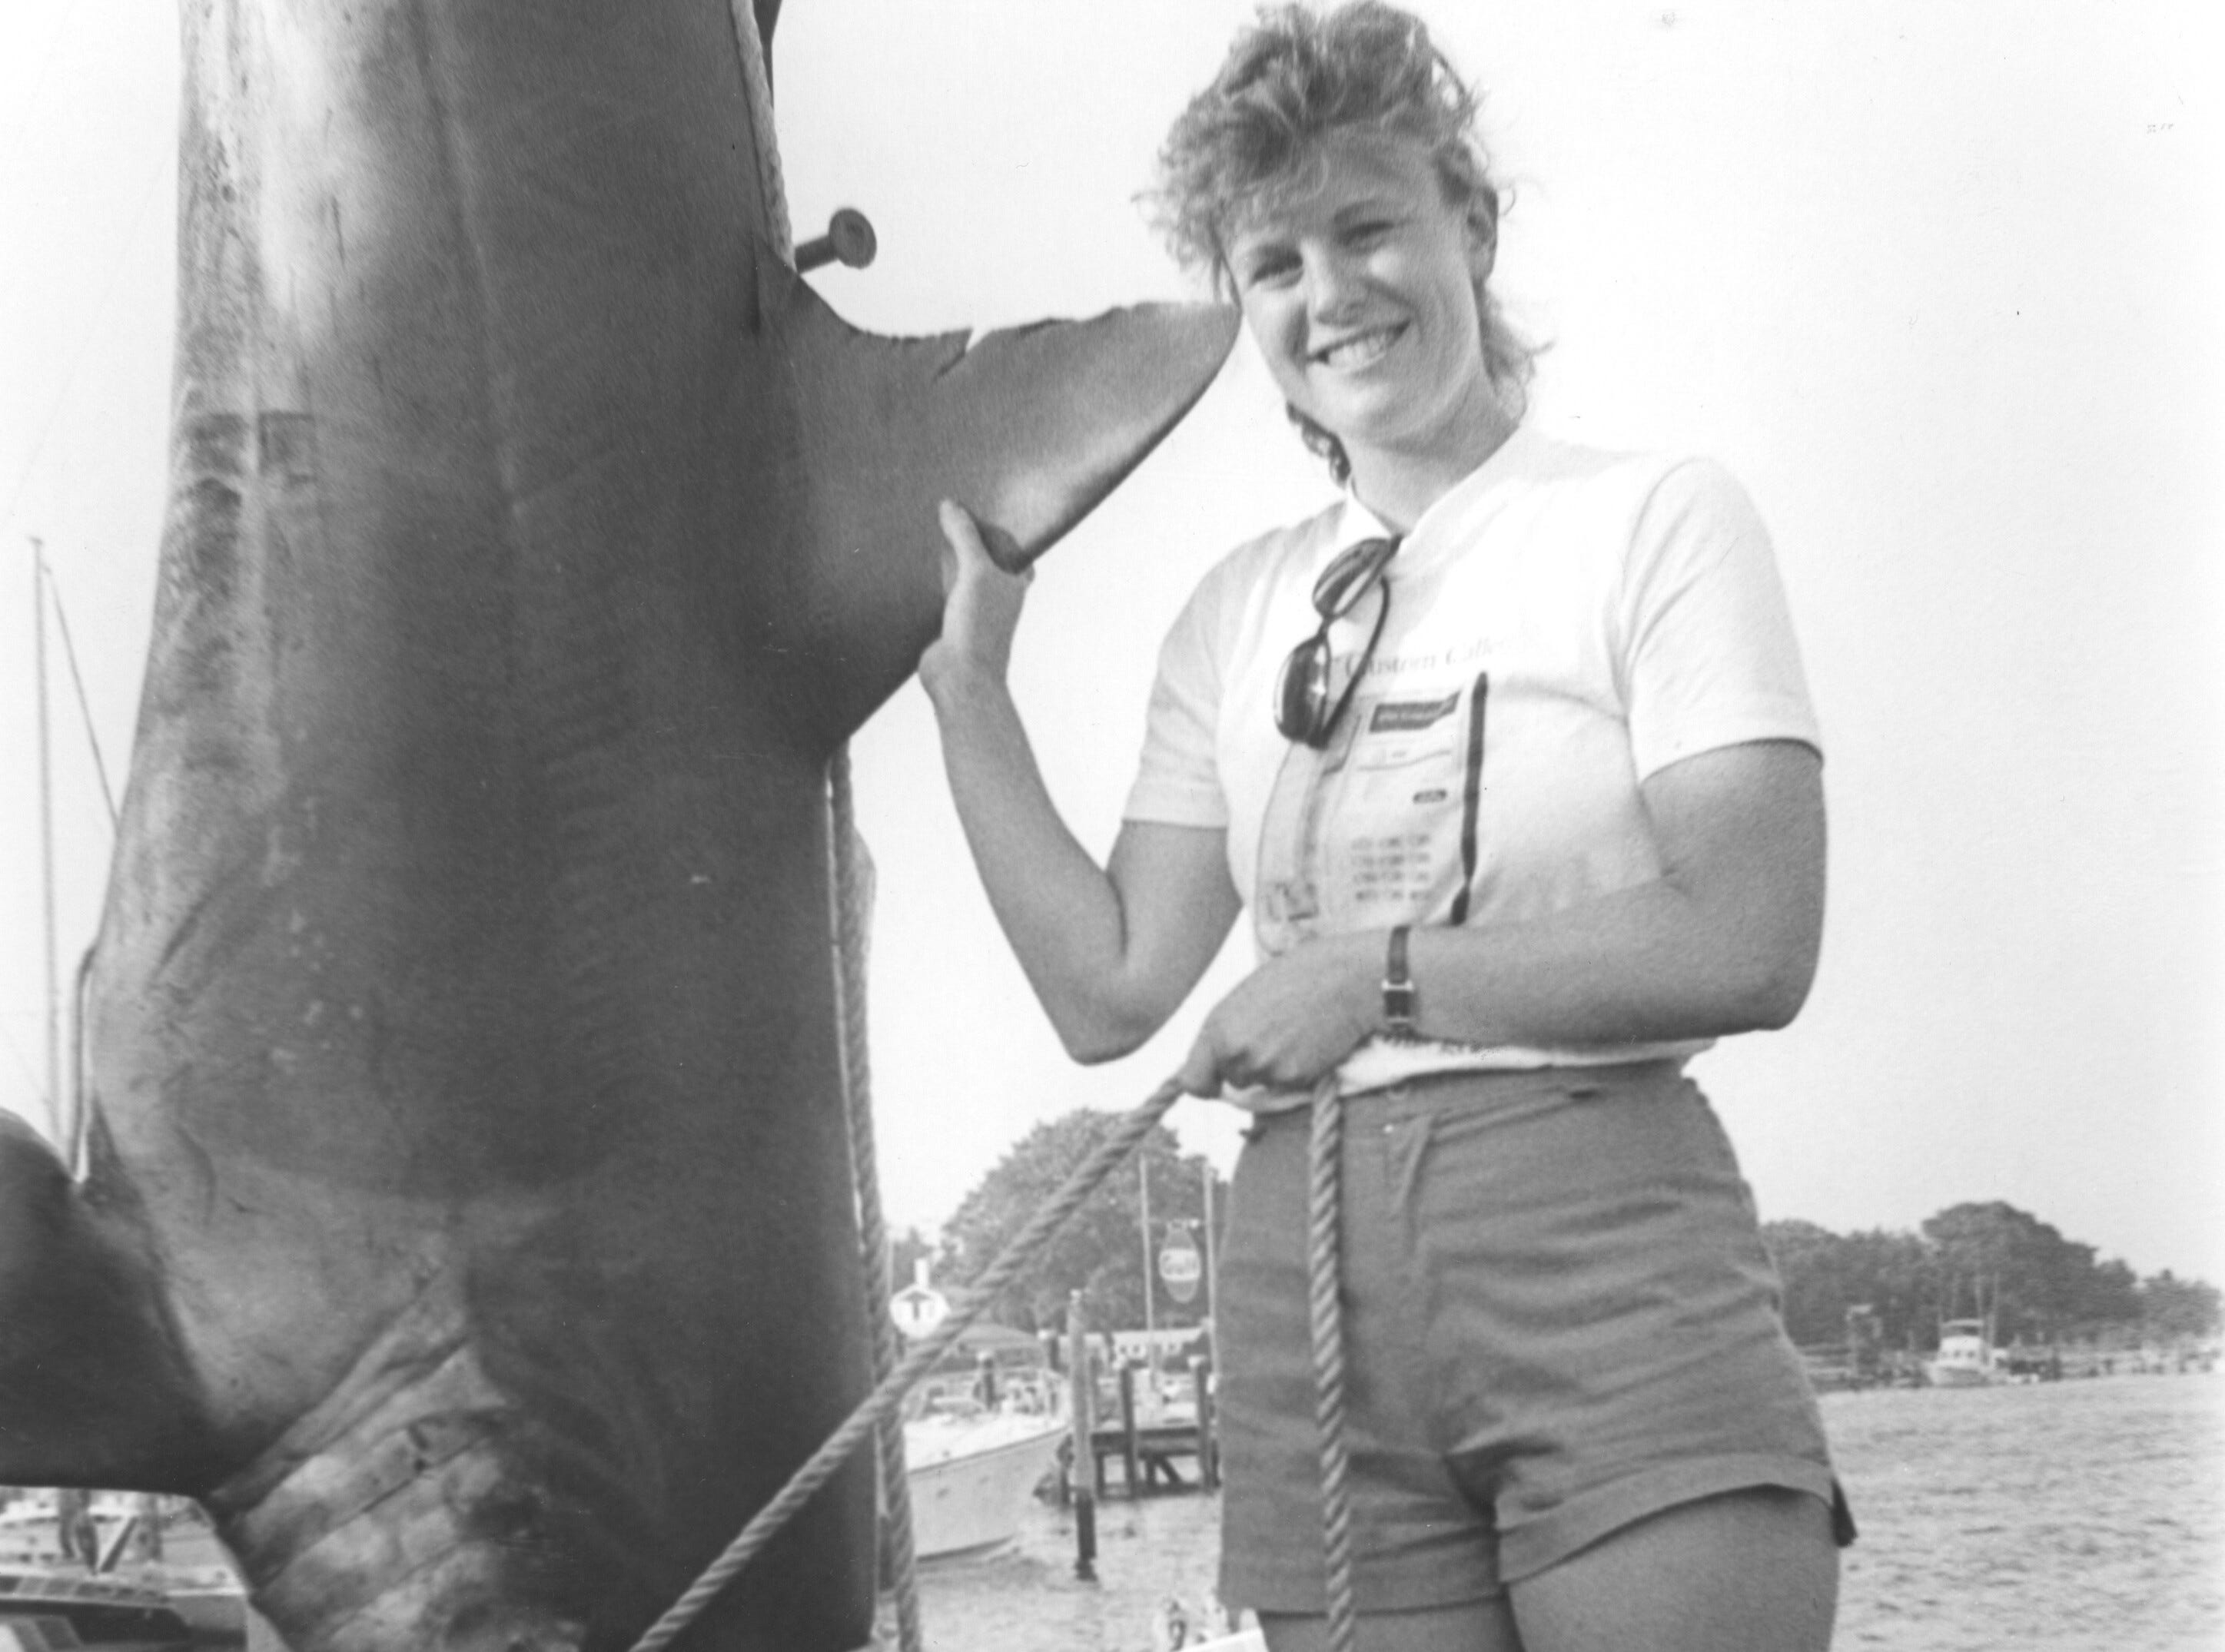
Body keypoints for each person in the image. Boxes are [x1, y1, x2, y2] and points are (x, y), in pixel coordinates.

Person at [918, 4, 1852, 1647]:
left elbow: (1747, 935)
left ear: (1467, 225)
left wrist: (1369, 981)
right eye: (1273, 261)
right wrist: (968, 692)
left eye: (1366, 227)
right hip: (1307, 1273)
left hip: (1596, 1241)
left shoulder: (1649, 520)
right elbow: (1109, 990)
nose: (1328, 294)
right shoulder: (1235, 612)